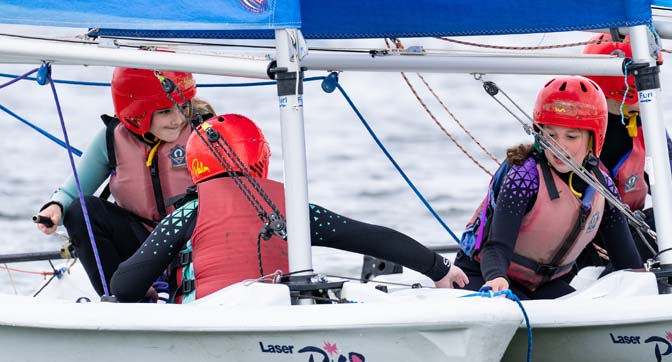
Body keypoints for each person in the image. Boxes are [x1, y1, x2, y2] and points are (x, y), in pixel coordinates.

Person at [110, 114, 468, 303]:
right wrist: (439, 268)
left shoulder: (189, 213)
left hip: (209, 320)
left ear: (195, 165)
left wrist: (148, 293)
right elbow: (370, 237)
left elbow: (124, 286)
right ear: (260, 157)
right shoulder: (291, 208)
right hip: (282, 322)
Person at [454, 75, 642, 300]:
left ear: (594, 139)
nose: (559, 146)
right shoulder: (525, 176)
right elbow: (496, 247)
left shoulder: (602, 187)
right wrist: (497, 277)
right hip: (483, 275)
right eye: (550, 135)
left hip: (541, 285)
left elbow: (627, 263)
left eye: (571, 136)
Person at [35, 67, 214, 295]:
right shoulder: (111, 138)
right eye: (165, 112)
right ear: (137, 113)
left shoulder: (206, 132)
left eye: (182, 106)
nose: (178, 119)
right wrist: (55, 207)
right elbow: (71, 194)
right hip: (141, 248)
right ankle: (121, 299)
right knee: (81, 210)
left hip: (193, 241)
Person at [582, 33, 672, 258]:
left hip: (627, 234)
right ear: (624, 86)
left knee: (659, 221)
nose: (655, 90)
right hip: (582, 241)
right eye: (649, 78)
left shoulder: (650, 127)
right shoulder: (573, 132)